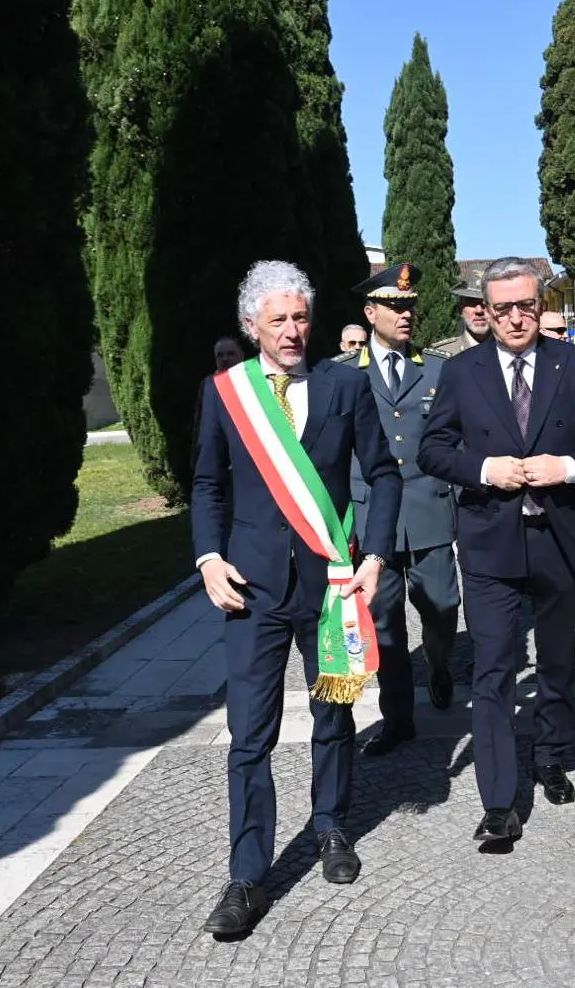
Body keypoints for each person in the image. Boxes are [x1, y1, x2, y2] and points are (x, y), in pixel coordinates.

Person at [191, 260, 402, 935]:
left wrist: (373, 555)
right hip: (250, 590)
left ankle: (334, 827)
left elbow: (385, 474)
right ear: (252, 324)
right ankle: (248, 875)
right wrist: (207, 556)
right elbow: (206, 485)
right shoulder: (226, 392)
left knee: (333, 714)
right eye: (279, 318)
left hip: (330, 583)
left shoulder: (347, 385)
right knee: (250, 735)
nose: (293, 330)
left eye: (301, 317)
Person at [419, 257, 575, 844]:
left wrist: (566, 467)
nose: (515, 318)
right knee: (493, 671)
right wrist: (486, 468)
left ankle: (553, 754)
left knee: (558, 661)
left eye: (526, 305)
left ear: (543, 306)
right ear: (484, 312)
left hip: (558, 536)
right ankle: (497, 802)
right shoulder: (461, 373)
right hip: (490, 541)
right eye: (502, 308)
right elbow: (432, 451)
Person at [333, 262, 460, 756]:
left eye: (409, 305)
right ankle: (398, 718)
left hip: (430, 510)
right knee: (384, 625)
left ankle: (440, 662)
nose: (405, 314)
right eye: (394, 306)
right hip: (371, 522)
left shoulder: (437, 370)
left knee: (443, 607)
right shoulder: (342, 375)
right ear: (370, 313)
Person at [429, 269, 493, 356]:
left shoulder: (511, 352)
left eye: (485, 302)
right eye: (471, 302)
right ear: (460, 309)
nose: (479, 310)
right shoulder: (443, 355)